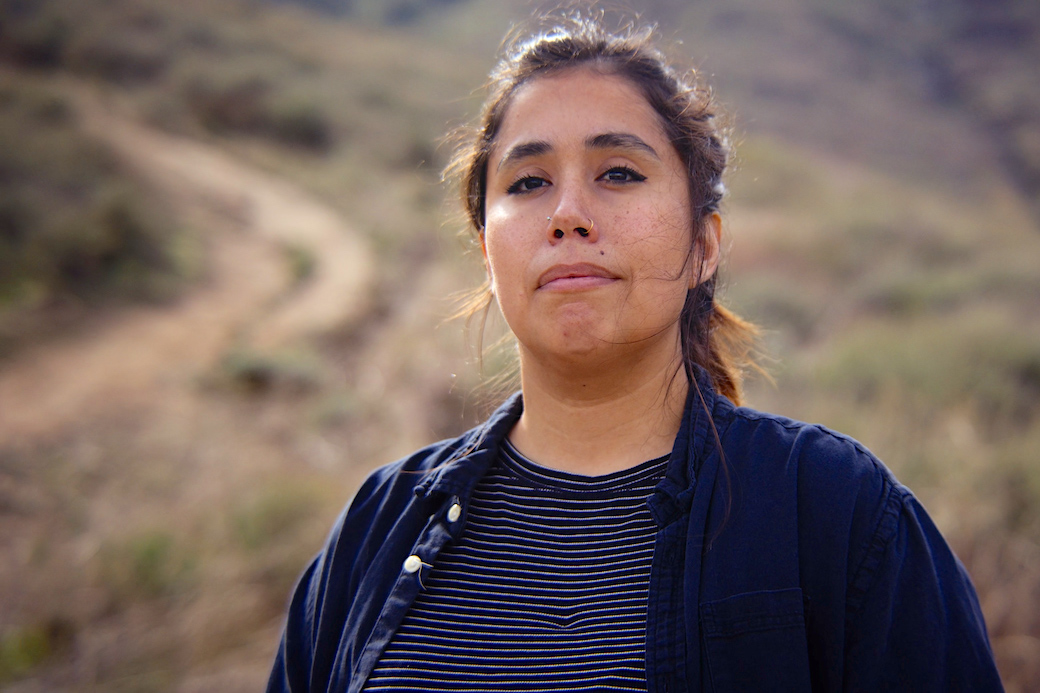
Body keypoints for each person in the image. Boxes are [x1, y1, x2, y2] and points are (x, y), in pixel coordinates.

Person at [266, 12, 1003, 693]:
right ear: (488, 253)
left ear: (703, 244)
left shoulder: (837, 515)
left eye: (618, 171)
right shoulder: (378, 524)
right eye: (527, 182)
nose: (567, 214)